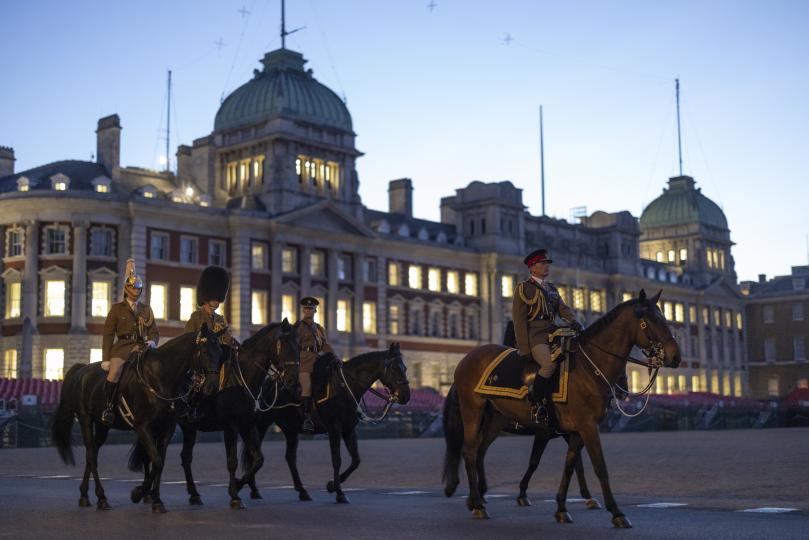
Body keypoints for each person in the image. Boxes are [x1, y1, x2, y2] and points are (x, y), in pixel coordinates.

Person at [512, 249, 583, 424]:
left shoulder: (551, 289)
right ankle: (536, 403)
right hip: (535, 337)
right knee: (549, 366)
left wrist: (573, 321)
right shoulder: (524, 288)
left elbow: (563, 309)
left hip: (554, 333)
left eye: (547, 264)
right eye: (542, 264)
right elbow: (519, 321)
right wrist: (524, 347)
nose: (546, 267)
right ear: (532, 268)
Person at [100, 259, 159, 425]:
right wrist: (106, 358)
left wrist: (153, 342)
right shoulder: (117, 309)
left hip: (143, 347)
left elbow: (154, 331)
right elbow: (108, 334)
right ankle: (109, 407)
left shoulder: (146, 309)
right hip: (123, 348)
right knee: (115, 372)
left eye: (138, 288)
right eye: (133, 287)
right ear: (127, 288)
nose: (136, 290)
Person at [294, 297, 335, 433]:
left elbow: (324, 345)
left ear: (315, 310)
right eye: (306, 308)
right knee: (307, 387)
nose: (308, 310)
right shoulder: (298, 326)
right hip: (303, 362)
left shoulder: (319, 329)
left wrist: (334, 356)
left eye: (310, 308)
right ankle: (307, 418)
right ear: (303, 310)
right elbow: (293, 345)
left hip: (317, 361)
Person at [184, 265, 233, 345]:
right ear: (207, 298)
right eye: (215, 298)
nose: (218, 301)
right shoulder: (196, 318)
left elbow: (230, 343)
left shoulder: (221, 320)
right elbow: (187, 341)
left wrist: (224, 333)